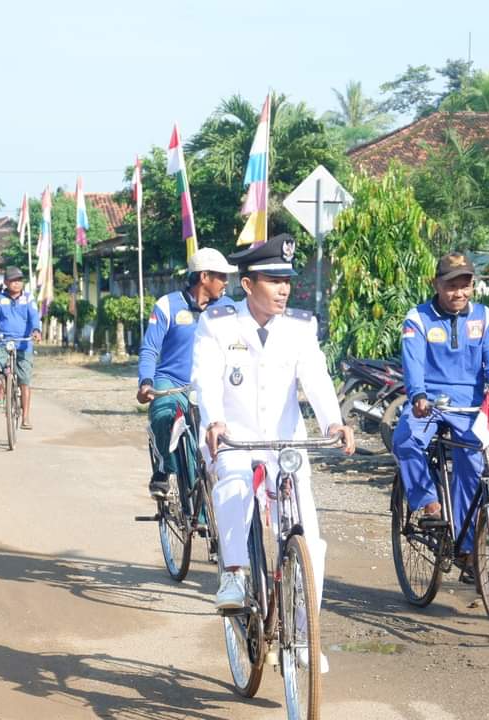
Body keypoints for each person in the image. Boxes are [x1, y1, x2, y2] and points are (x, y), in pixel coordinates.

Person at [192, 234, 355, 674]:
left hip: (287, 445)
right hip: (235, 440)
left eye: (287, 280)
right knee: (234, 484)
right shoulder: (219, 323)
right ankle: (235, 573)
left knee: (311, 541)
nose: (284, 289)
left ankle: (305, 633)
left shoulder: (301, 327)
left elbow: (317, 379)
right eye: (273, 280)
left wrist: (333, 423)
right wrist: (213, 421)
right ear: (247, 284)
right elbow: (205, 378)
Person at [392, 251, 489, 581]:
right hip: (429, 402)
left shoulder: (483, 316)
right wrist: (417, 395)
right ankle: (429, 503)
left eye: (465, 286)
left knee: (473, 466)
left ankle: (465, 548)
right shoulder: (418, 318)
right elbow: (413, 363)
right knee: (405, 438)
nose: (458, 294)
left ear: (473, 286)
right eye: (451, 286)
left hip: (469, 406)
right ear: (436, 284)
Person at [137, 247, 236, 497]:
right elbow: (150, 349)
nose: (226, 282)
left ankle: (209, 514)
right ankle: (164, 467)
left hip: (212, 384)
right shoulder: (167, 305)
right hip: (172, 382)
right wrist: (146, 382)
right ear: (204, 277)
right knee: (162, 414)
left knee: (212, 445)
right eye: (221, 276)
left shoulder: (229, 308)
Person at [0, 267, 42, 429]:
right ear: (6, 283)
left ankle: (25, 417)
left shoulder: (29, 298)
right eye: (13, 281)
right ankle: (1, 388)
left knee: (24, 381)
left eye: (19, 280)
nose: (17, 284)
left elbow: (33, 316)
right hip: (2, 342)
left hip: (24, 343)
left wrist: (36, 330)